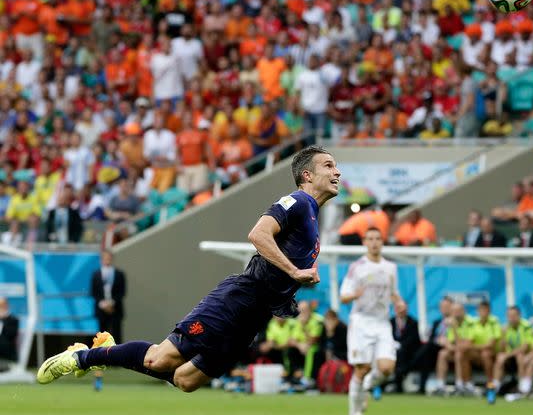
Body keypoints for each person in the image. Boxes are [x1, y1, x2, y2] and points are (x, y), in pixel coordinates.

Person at [37, 146, 339, 393]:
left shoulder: (313, 218)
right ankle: (81, 357)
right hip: (239, 299)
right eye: (328, 165)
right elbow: (258, 235)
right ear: (307, 175)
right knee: (159, 360)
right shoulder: (297, 201)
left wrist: (296, 281)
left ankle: (112, 351)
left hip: (254, 317)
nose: (336, 171)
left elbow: (284, 267)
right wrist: (295, 272)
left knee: (185, 380)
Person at [339, 226, 401, 415]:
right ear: (365, 243)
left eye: (378, 239)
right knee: (362, 367)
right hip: (361, 322)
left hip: (382, 322)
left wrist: (399, 303)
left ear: (382, 242)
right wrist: (353, 295)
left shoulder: (390, 267)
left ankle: (367, 384)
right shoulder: (357, 267)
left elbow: (393, 292)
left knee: (387, 368)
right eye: (370, 239)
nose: (374, 243)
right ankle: (354, 413)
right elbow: (343, 296)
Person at [491, 306, 532, 400]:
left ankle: (521, 388)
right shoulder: (505, 328)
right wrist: (503, 336)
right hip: (509, 358)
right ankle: (495, 387)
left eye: (514, 315)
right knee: (499, 357)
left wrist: (507, 355)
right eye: (509, 316)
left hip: (525, 357)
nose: (511, 318)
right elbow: (501, 349)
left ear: (519, 316)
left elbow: (524, 348)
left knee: (520, 356)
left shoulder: (526, 326)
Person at [90, 250, 127, 344]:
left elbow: (122, 292)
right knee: (101, 336)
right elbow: (93, 292)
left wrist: (112, 303)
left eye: (109, 258)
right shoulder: (96, 275)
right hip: (101, 311)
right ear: (101, 259)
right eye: (105, 258)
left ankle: (118, 356)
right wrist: (103, 304)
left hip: (115, 309)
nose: (107, 260)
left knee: (117, 335)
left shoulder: (119, 274)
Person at [389, 300, 421, 393]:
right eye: (400, 309)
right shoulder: (390, 322)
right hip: (392, 351)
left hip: (408, 353)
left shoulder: (413, 322)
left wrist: (401, 346)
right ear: (395, 309)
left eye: (404, 309)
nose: (402, 311)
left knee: (402, 353)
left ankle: (398, 380)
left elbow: (414, 340)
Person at [0, 297, 20, 364]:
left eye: (2, 306)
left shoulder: (13, 319)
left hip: (8, 353)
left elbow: (11, 335)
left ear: (6, 306)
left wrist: (3, 319)